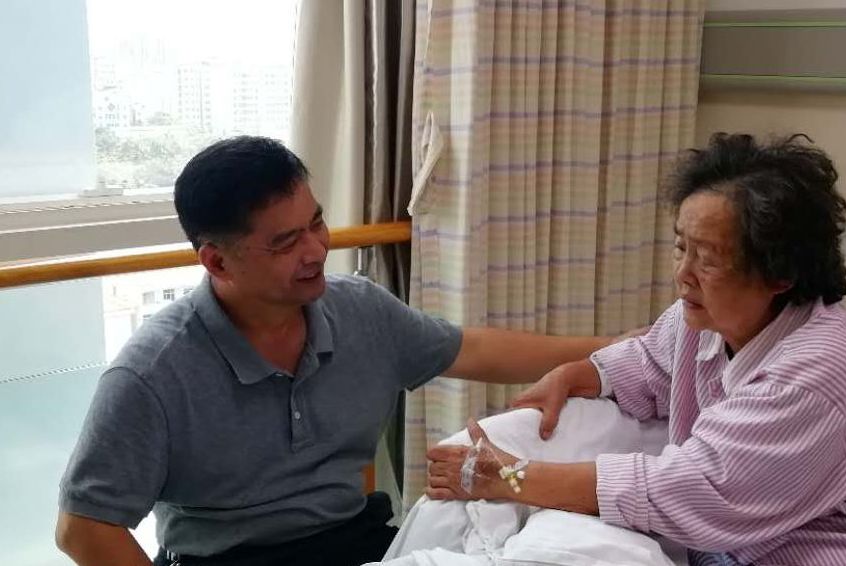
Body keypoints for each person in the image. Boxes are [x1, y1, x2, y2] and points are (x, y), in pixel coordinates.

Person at [54, 136, 628, 566]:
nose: (315, 250)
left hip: (357, 544)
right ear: (217, 261)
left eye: (317, 223)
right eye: (285, 242)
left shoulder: (357, 311)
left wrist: (623, 351)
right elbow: (83, 529)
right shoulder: (152, 373)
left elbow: (472, 349)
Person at [426, 133, 846, 566]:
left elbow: (690, 488)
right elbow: (649, 364)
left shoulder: (816, 370)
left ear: (780, 274)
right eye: (681, 247)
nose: (683, 274)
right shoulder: (704, 319)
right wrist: (580, 373)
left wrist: (510, 476)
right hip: (722, 547)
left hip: (813, 549)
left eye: (708, 259)